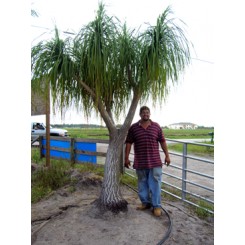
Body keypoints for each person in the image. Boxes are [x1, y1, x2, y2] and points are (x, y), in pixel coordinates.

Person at [124, 106, 171, 217]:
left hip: (155, 162)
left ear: (150, 114)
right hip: (140, 162)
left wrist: (167, 156)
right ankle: (145, 203)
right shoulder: (133, 128)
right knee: (142, 184)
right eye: (143, 112)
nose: (146, 114)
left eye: (147, 112)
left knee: (155, 184)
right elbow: (129, 143)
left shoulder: (156, 127)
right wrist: (126, 158)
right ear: (140, 114)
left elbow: (162, 141)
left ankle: (157, 206)